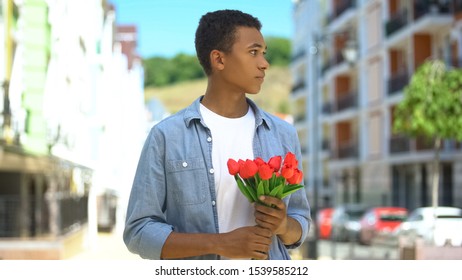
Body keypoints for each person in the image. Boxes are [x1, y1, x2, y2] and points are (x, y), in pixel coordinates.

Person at [123, 9, 311, 260]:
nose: (264, 63)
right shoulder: (166, 136)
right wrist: (220, 244)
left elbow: (300, 221)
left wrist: (285, 226)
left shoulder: (283, 134)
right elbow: (139, 231)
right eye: (253, 52)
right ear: (218, 60)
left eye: (263, 53)